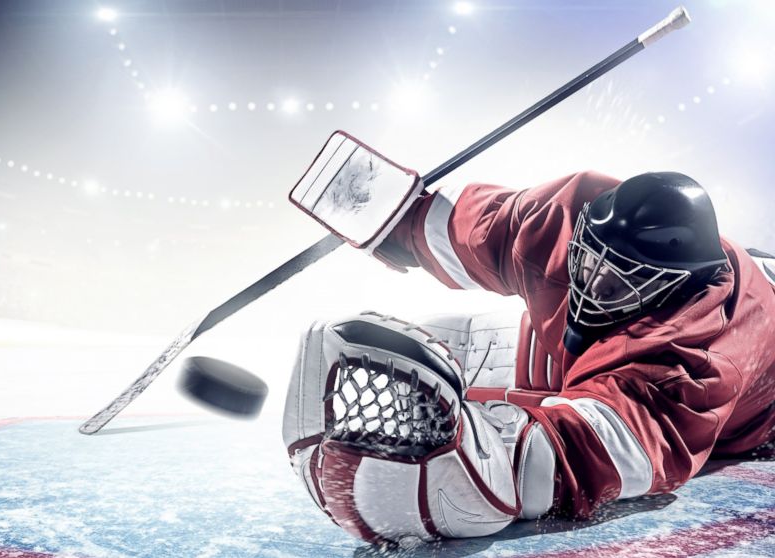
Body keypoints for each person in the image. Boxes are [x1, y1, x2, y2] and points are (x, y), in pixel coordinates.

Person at [281, 170, 775, 543]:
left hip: (757, 411)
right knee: (541, 341)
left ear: (674, 286)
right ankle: (569, 376)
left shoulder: (698, 364)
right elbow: (479, 226)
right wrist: (395, 215)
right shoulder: (564, 215)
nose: (591, 286)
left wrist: (497, 464)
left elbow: (586, 455)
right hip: (657, 332)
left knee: (565, 426)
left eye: (618, 282)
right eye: (585, 262)